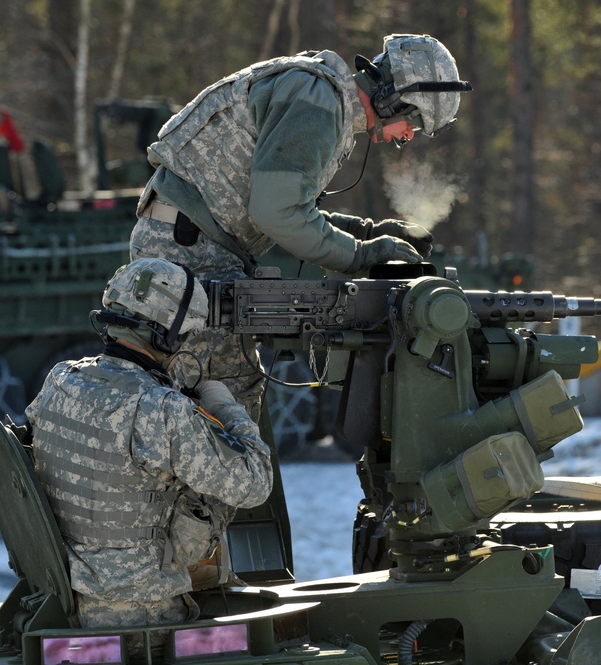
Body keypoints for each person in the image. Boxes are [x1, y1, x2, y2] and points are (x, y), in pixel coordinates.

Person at [129, 33, 471, 418]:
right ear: (393, 98)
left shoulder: (323, 97)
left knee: (217, 399)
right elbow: (279, 213)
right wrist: (362, 253)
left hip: (192, 246)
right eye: (414, 122)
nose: (408, 136)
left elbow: (284, 207)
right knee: (219, 408)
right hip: (190, 253)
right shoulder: (318, 102)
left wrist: (367, 231)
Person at [25, 258, 273, 647]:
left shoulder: (60, 380)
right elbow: (255, 482)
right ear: (167, 337)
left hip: (67, 604)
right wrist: (225, 407)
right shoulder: (159, 410)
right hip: (143, 621)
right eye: (186, 335)